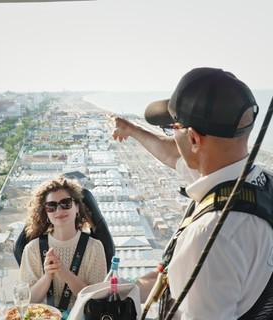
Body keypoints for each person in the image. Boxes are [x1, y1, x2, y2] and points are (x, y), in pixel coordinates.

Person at [111, 67, 273, 319]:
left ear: (195, 141)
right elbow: (175, 154)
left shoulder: (208, 236)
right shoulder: (259, 186)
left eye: (172, 128)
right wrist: (133, 131)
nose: (172, 137)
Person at [19, 177, 107, 313]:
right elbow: (26, 302)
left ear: (77, 207)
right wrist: (47, 276)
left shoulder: (95, 248)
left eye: (65, 203)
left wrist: (66, 275)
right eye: (51, 206)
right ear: (46, 213)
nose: (59, 210)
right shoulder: (32, 249)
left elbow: (96, 301)